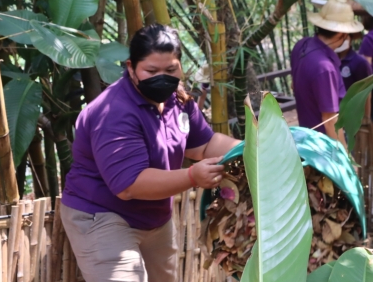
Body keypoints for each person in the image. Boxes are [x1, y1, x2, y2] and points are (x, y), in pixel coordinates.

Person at [60, 24, 241, 282]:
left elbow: (203, 145)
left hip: (156, 217)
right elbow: (129, 185)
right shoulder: (114, 112)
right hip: (103, 214)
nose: (162, 77)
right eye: (152, 71)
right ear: (131, 67)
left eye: (170, 70)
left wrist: (255, 147)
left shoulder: (178, 100)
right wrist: (192, 177)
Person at [290, 0, 364, 149]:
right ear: (341, 34)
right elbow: (330, 120)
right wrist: (345, 158)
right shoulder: (324, 68)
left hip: (306, 136)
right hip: (324, 145)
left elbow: (294, 85)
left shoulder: (301, 45)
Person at [337, 33, 373, 119]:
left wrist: (366, 117)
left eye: (344, 37)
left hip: (352, 114)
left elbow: (366, 93)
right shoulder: (329, 60)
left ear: (351, 38)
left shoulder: (359, 62)